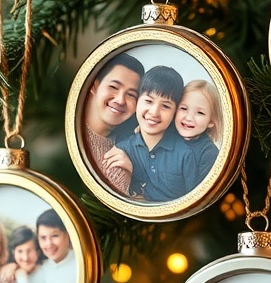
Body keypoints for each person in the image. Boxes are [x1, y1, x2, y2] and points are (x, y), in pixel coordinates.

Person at [106, 65, 202, 202]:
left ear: (175, 112)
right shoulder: (123, 149)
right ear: (137, 101)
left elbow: (196, 202)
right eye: (149, 101)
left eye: (165, 106)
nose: (154, 112)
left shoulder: (185, 154)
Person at [83, 52, 145, 193]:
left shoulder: (128, 153)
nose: (120, 100)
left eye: (131, 94)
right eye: (114, 87)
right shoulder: (68, 134)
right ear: (94, 85)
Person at [36, 209, 77, 283]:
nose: (48, 244)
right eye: (43, 238)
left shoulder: (80, 265)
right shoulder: (43, 266)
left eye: (55, 236)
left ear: (68, 235)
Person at [174, 79, 221, 182]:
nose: (189, 117)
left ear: (211, 121)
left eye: (200, 113)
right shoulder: (167, 134)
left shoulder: (209, 154)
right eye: (184, 108)